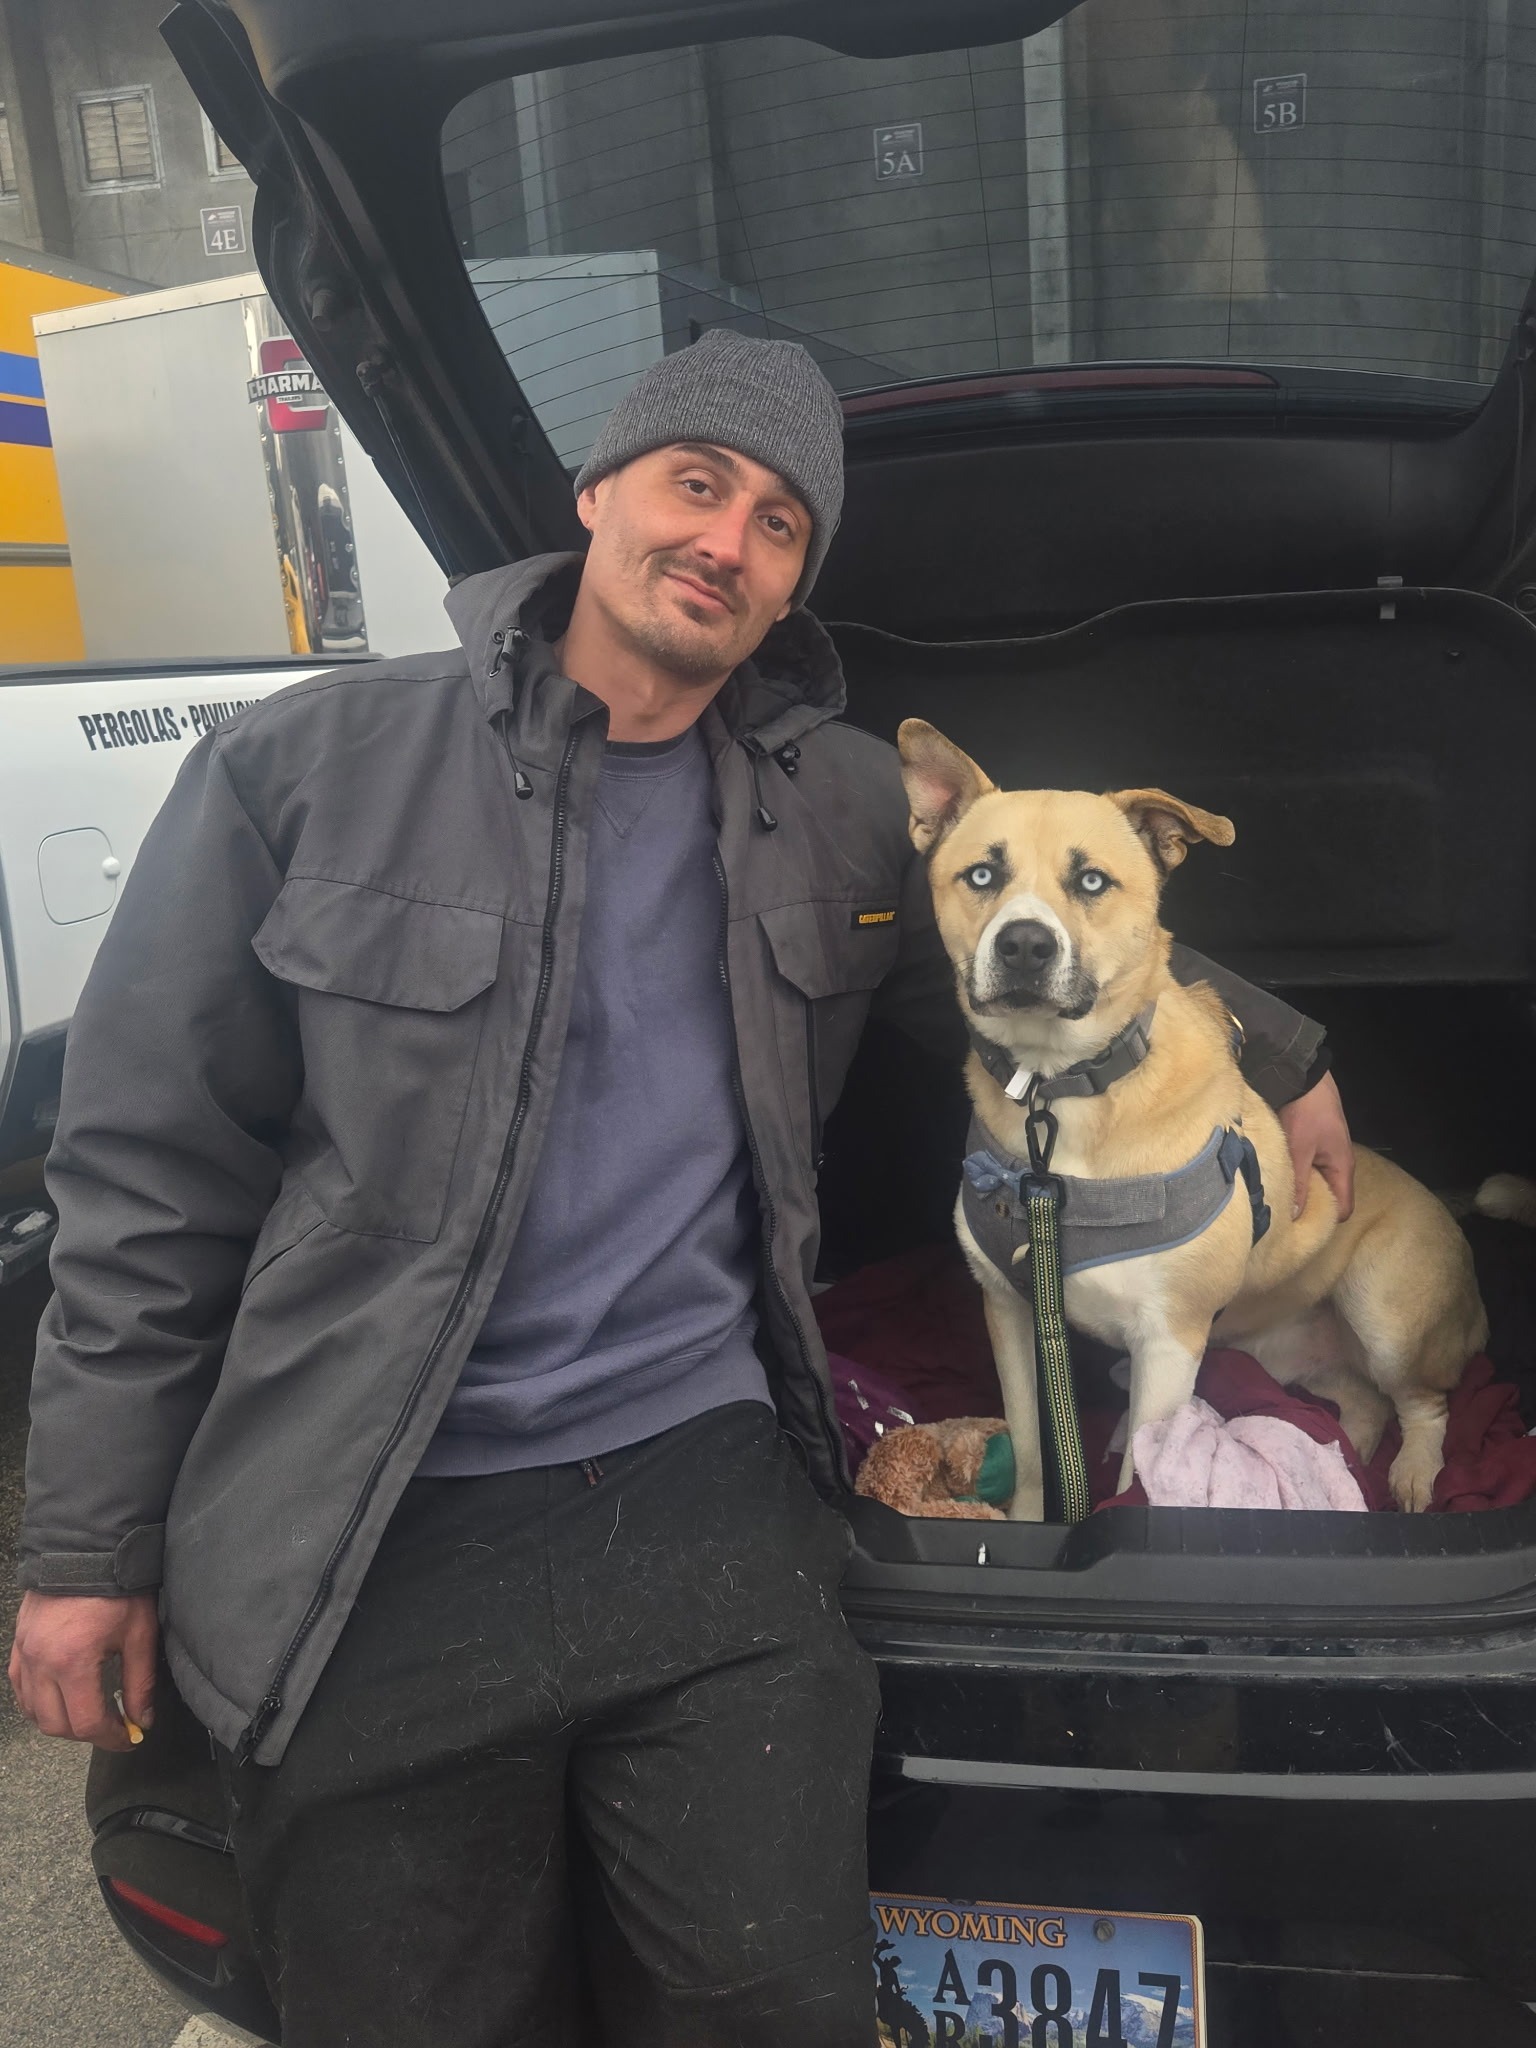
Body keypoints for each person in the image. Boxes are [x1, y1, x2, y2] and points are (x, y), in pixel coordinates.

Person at [8, 330, 1352, 2045]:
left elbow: (1060, 915)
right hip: (382, 1504)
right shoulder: (314, 763)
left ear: (795, 584)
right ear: (598, 497)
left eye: (780, 523)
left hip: (703, 1479)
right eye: (695, 484)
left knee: (768, 2008)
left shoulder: (842, 802)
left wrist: (1289, 1055)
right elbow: (147, 1171)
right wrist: (89, 1547)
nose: (728, 540)